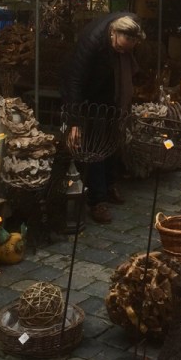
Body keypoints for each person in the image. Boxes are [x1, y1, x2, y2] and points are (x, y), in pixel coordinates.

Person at [61, 12, 145, 224]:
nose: (122, 52)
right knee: (95, 146)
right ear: (113, 33)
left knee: (113, 139)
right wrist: (75, 122)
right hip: (89, 95)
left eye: (126, 50)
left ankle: (109, 185)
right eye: (119, 48)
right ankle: (97, 200)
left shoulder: (132, 28)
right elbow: (74, 81)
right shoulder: (92, 42)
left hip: (111, 90)